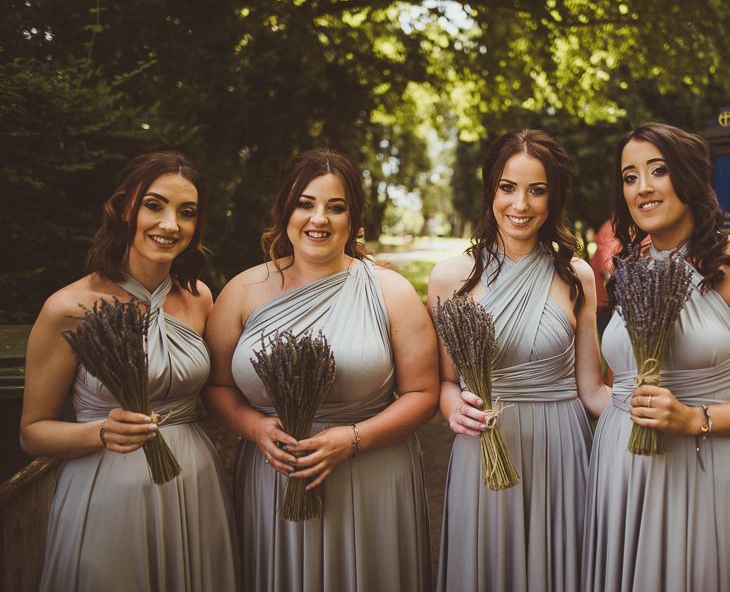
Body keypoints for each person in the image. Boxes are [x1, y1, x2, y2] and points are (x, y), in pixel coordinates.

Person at [204, 149, 438, 591]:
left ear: (354, 219)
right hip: (274, 479)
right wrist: (254, 427)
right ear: (284, 210)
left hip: (370, 478)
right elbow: (215, 387)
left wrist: (352, 439)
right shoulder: (241, 291)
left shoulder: (391, 291)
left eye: (336, 207)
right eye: (305, 203)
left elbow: (423, 395)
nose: (319, 219)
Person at [20, 152, 239, 592]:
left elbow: (225, 386)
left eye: (187, 212)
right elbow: (32, 432)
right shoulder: (69, 308)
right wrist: (100, 432)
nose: (170, 224)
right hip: (106, 491)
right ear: (125, 209)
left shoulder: (199, 299)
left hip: (195, 481)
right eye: (154, 205)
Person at [429, 129, 610, 591]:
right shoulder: (450, 278)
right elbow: (446, 383)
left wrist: (665, 413)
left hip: (561, 449)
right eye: (508, 187)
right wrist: (457, 410)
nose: (521, 204)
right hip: (483, 447)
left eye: (537, 190)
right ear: (491, 189)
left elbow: (591, 390)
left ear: (554, 197)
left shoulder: (576, 276)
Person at [582, 122, 730, 592]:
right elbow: (611, 381)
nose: (642, 188)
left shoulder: (726, 267)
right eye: (629, 176)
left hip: (703, 469)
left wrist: (695, 419)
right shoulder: (627, 272)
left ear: (687, 177)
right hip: (620, 470)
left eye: (658, 171)